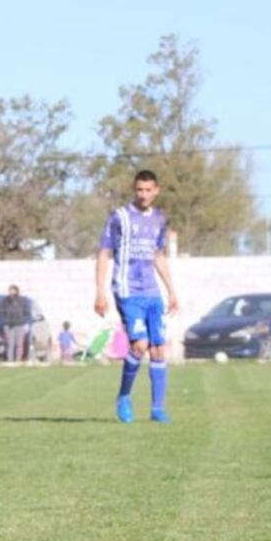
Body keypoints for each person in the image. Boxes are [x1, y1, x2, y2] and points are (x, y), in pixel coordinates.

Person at [95, 169, 179, 424]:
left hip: (152, 292)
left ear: (156, 190)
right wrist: (100, 292)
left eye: (148, 190)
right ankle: (123, 396)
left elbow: (159, 256)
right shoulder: (119, 217)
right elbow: (103, 254)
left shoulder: (160, 220)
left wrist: (172, 291)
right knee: (139, 345)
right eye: (139, 190)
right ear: (134, 190)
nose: (143, 195)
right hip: (127, 289)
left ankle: (157, 409)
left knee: (158, 349)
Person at [1, 284, 31, 362]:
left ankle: (18, 360)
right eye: (9, 290)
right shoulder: (6, 301)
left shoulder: (22, 300)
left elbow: (27, 312)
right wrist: (5, 321)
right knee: (10, 344)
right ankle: (10, 360)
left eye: (12, 290)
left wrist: (26, 323)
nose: (11, 292)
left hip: (20, 324)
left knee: (19, 344)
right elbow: (2, 312)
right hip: (9, 325)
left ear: (16, 291)